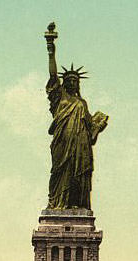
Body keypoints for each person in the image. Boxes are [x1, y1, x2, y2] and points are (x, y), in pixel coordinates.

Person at [44, 27, 107, 209]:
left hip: (81, 144)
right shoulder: (59, 97)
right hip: (62, 142)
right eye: (69, 80)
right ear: (64, 83)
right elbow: (53, 75)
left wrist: (98, 125)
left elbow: (90, 128)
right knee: (59, 171)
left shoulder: (82, 103)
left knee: (78, 173)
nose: (72, 82)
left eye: (75, 80)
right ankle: (57, 203)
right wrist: (50, 49)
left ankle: (76, 205)